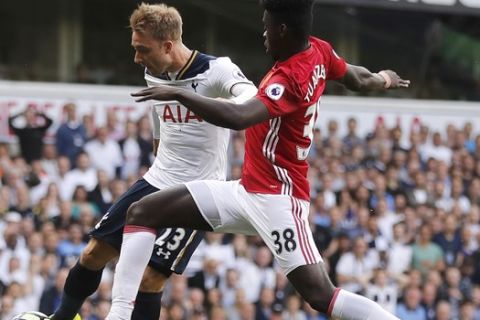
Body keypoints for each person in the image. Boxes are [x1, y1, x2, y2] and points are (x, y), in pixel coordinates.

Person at [105, 0, 410, 319]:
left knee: (320, 295)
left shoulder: (290, 78)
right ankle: (119, 315)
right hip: (245, 191)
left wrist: (182, 94)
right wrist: (383, 79)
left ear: (282, 30)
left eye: (267, 27)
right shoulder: (318, 50)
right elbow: (357, 78)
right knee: (141, 212)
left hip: (279, 199)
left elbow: (239, 117)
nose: (263, 33)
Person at [49, 3, 256, 320]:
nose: (136, 58)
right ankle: (61, 317)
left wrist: (194, 99)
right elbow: (161, 120)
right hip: (157, 179)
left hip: (198, 192)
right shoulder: (153, 72)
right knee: (92, 254)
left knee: (149, 279)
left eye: (142, 49)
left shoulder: (218, 71)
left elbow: (251, 100)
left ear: (168, 45)